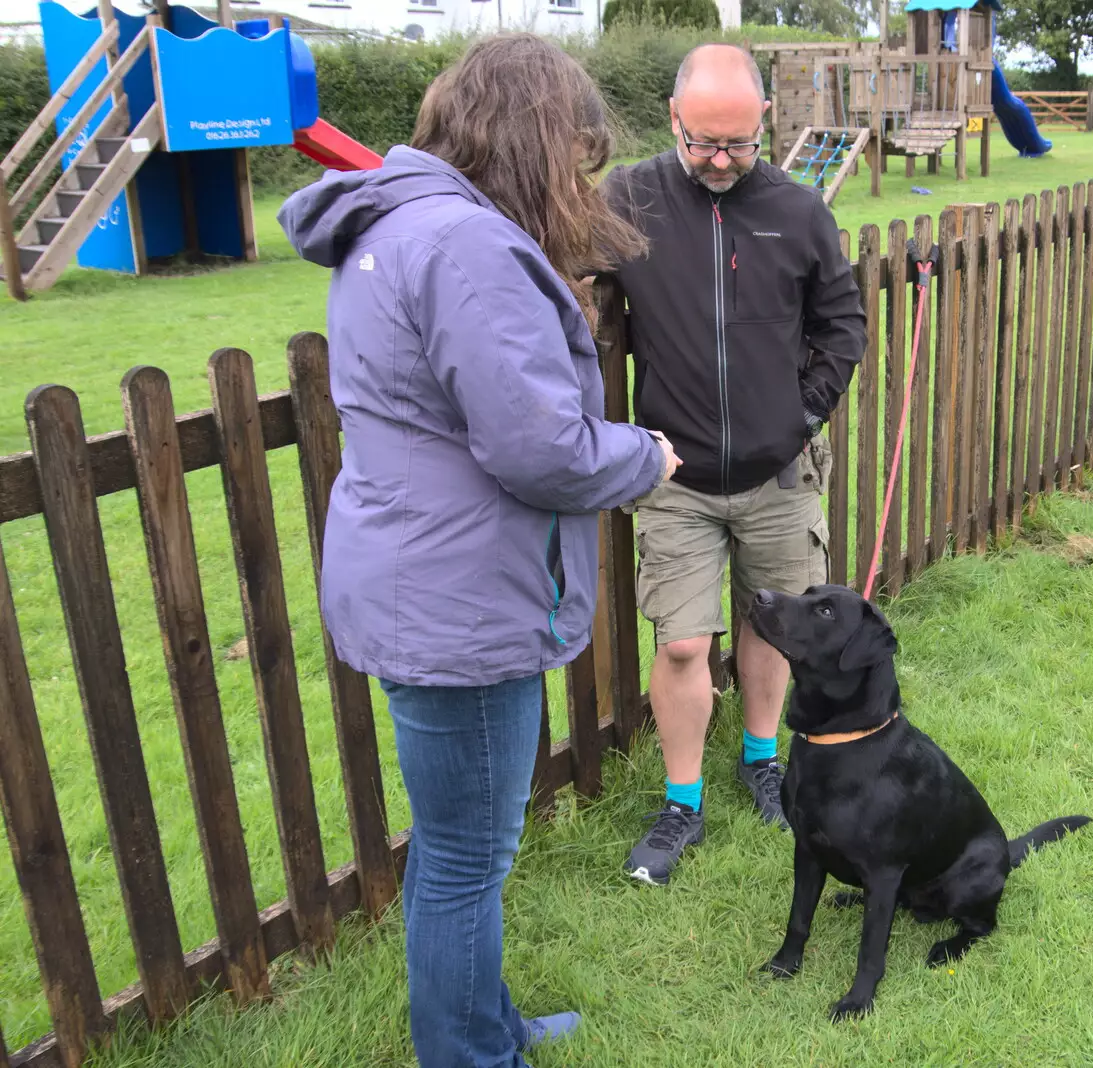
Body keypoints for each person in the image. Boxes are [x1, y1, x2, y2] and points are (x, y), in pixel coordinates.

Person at [276, 33, 680, 1067]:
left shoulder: (405, 224)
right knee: (466, 857)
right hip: (458, 601)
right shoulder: (463, 245)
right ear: (534, 139)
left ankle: (483, 1025)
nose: (582, 179)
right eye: (576, 157)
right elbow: (538, 448)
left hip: (426, 579)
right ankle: (469, 1056)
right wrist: (643, 454)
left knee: (460, 849)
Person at [598, 43, 868, 886]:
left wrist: (800, 415)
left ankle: (761, 761)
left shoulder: (797, 209)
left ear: (764, 129)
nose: (720, 161)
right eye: (703, 143)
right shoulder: (629, 198)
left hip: (777, 475)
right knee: (682, 644)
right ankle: (682, 805)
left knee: (769, 627)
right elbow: (567, 286)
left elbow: (843, 324)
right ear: (673, 122)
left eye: (739, 145)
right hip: (673, 475)